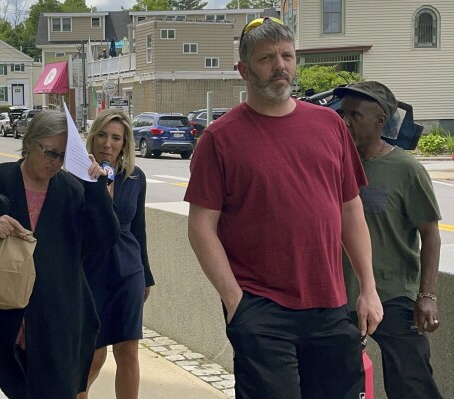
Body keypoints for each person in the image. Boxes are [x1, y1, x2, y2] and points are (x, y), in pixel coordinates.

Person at [184, 17, 384, 398]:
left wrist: (368, 289)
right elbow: (201, 228)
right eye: (266, 58)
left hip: (329, 304)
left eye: (287, 56)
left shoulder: (329, 125)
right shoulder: (220, 139)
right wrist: (235, 302)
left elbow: (350, 209)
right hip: (261, 309)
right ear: (244, 69)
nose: (280, 65)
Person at [0, 110, 120, 399]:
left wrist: (96, 188)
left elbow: (104, 240)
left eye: (62, 156)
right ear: (30, 142)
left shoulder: (72, 190)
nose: (55, 163)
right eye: (50, 153)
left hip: (53, 328)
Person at [335, 81, 443, 399]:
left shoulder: (406, 170)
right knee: (340, 384)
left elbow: (431, 236)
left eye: (355, 115)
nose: (345, 121)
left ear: (380, 121)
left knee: (411, 383)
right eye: (343, 114)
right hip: (341, 299)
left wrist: (427, 296)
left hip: (395, 298)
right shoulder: (335, 165)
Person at [78, 109, 154, 399]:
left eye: (115, 138)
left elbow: (139, 227)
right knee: (93, 355)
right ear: (92, 136)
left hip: (127, 271)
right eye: (101, 134)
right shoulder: (75, 175)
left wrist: (146, 275)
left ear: (125, 144)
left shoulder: (135, 177)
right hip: (90, 271)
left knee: (128, 351)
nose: (107, 144)